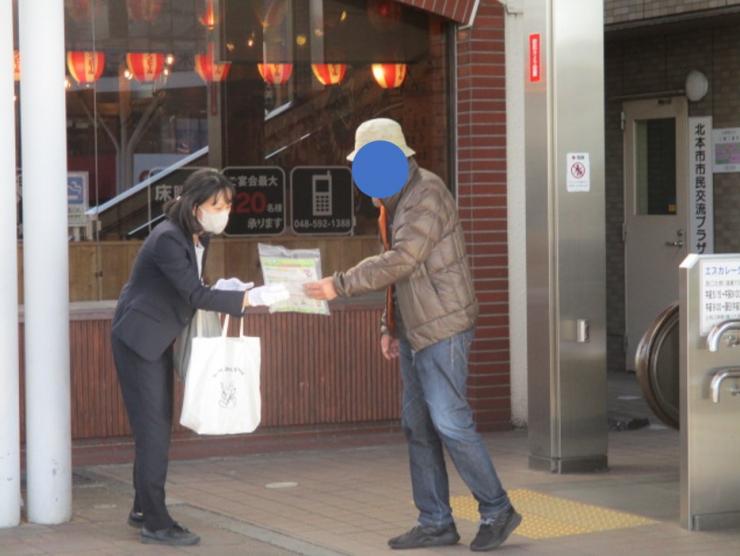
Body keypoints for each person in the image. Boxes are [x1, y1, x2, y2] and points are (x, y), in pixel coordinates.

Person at [304, 119, 521, 552]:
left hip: (442, 325)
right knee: (418, 425)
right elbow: (398, 270)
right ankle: (435, 521)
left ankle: (497, 509)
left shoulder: (426, 195)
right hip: (416, 328)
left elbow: (402, 259)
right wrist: (390, 325)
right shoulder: (397, 200)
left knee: (449, 422)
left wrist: (340, 284)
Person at [111, 168, 287, 546]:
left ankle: (143, 507)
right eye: (216, 205)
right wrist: (245, 298)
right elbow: (192, 295)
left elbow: (193, 289)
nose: (223, 211)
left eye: (226, 205)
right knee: (154, 431)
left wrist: (224, 288)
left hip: (155, 338)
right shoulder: (168, 239)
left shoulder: (192, 235)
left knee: (154, 429)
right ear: (194, 205)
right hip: (140, 340)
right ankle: (156, 523)